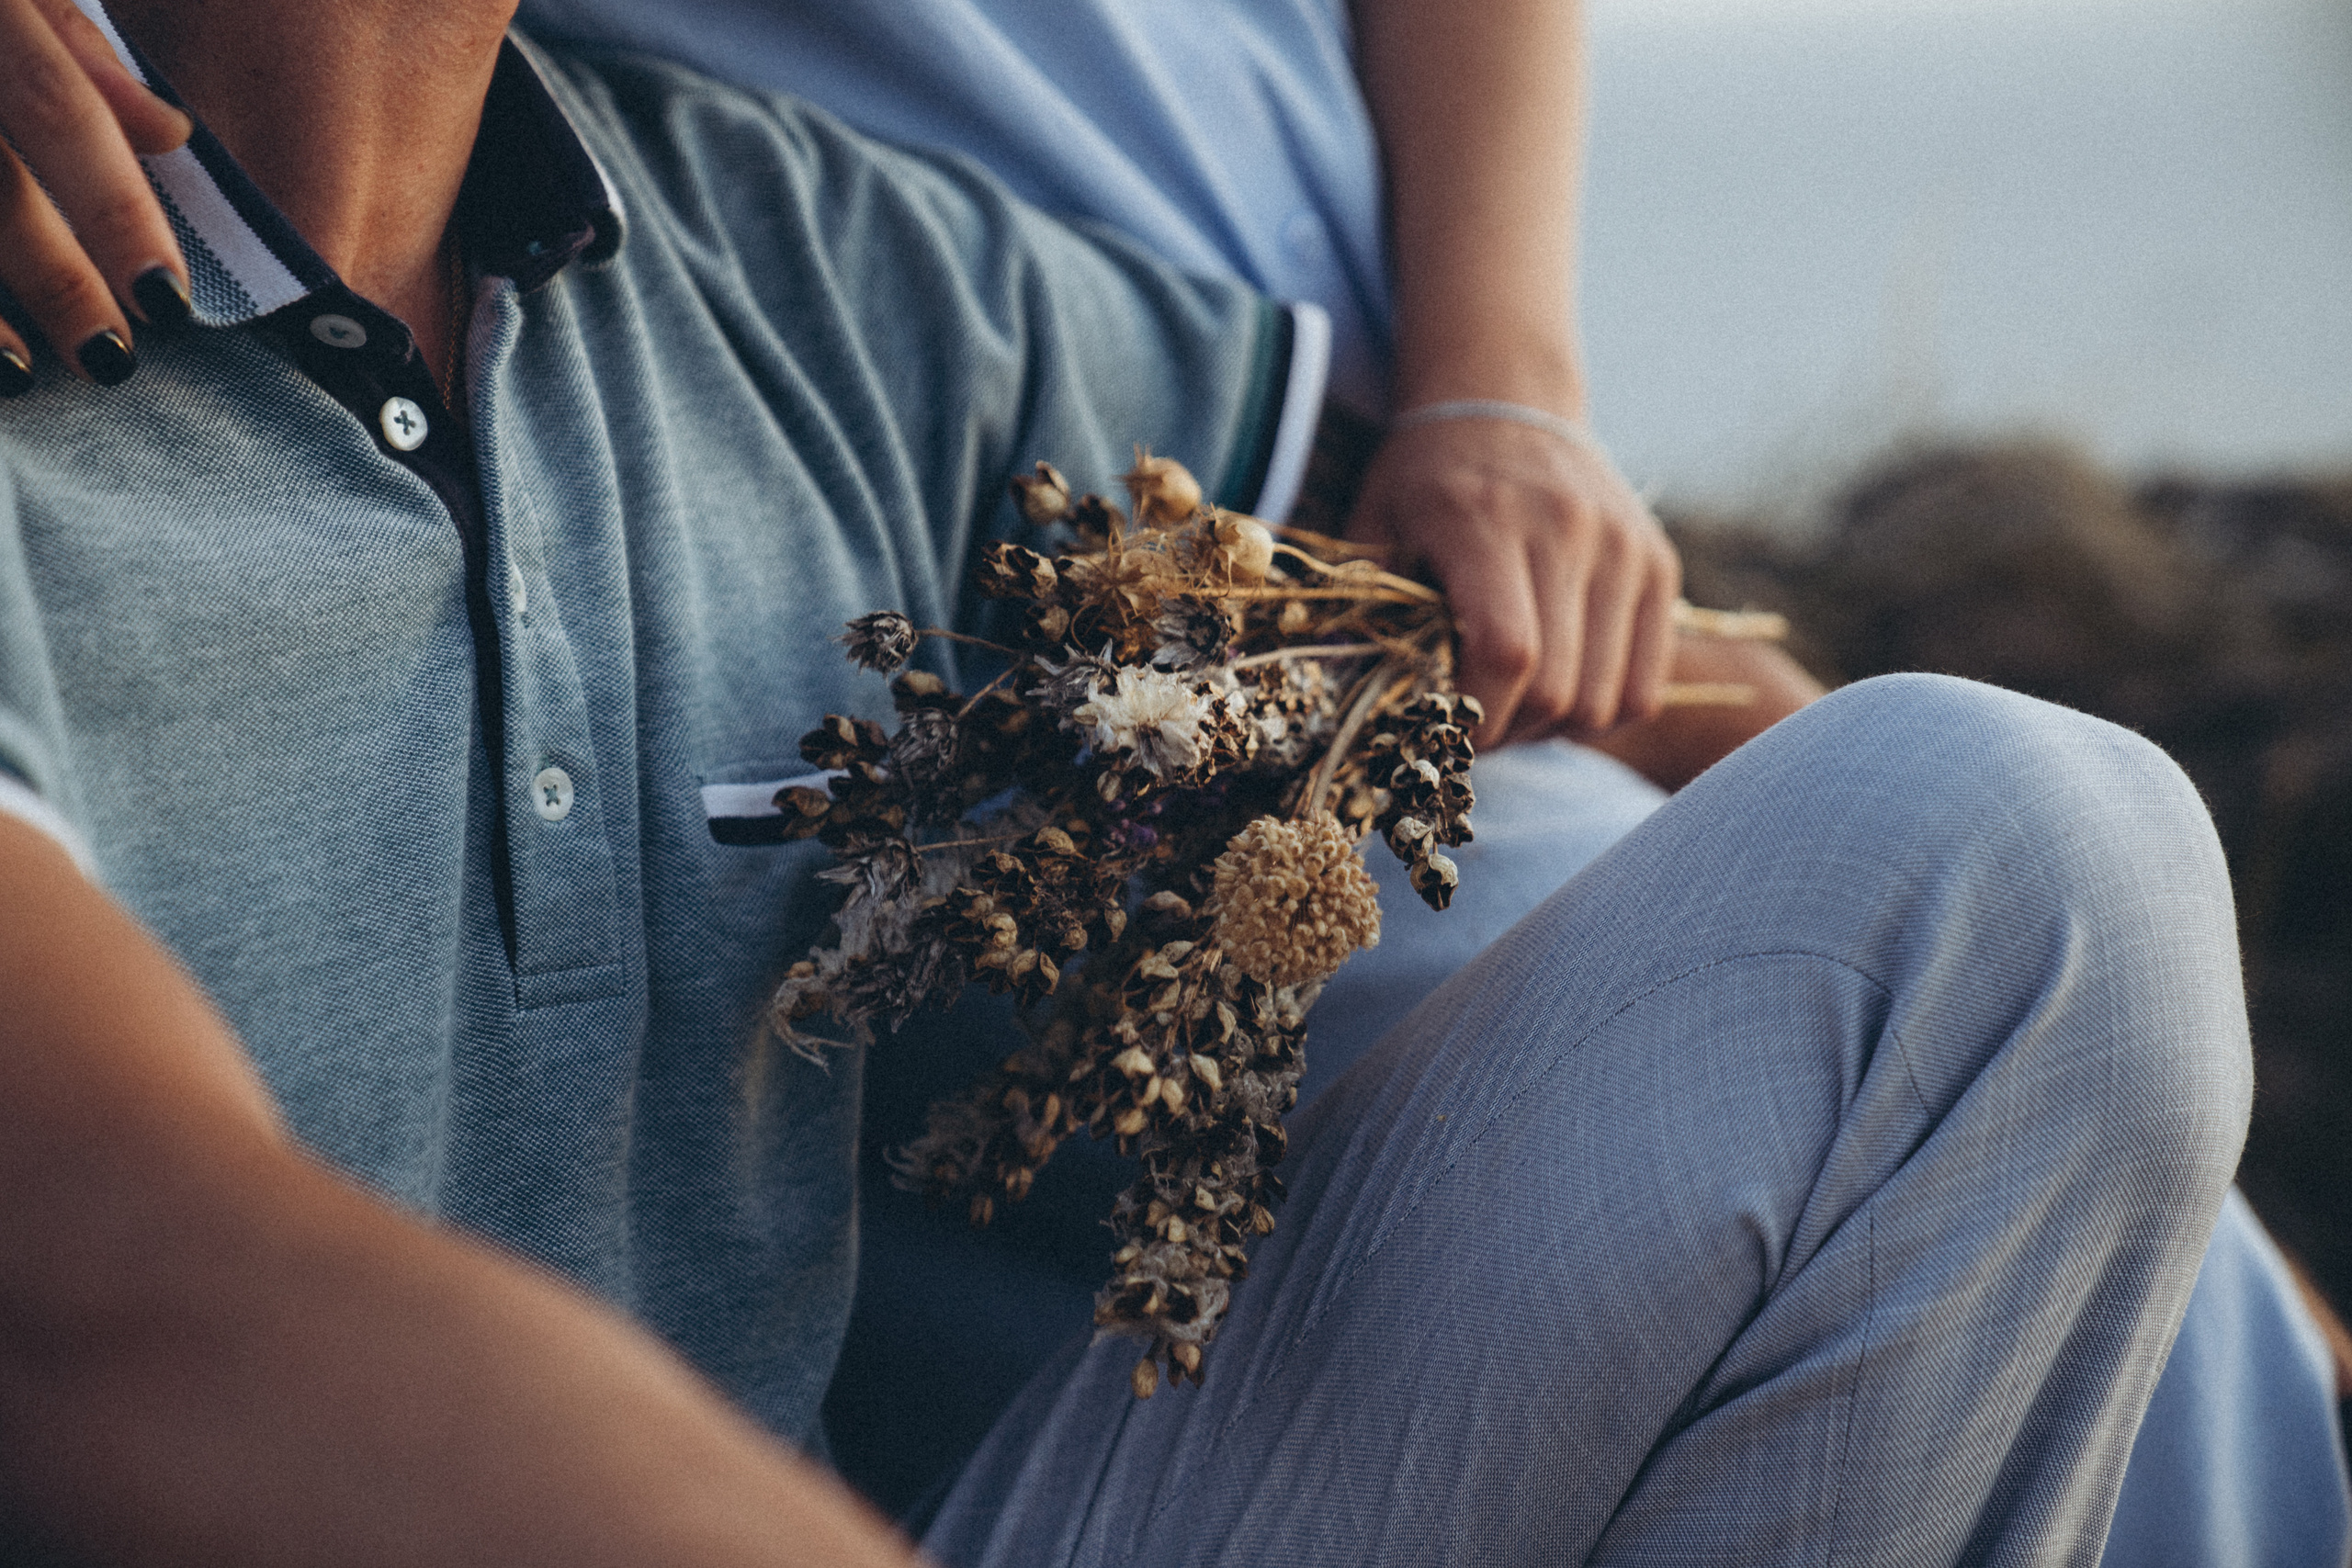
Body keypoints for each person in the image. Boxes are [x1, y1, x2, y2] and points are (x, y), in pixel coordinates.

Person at [4, 2, 2345, 1562]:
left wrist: (1542, 537)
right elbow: (121, 1276)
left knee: (2033, 843)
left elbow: (1450, 604)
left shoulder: (781, 253)